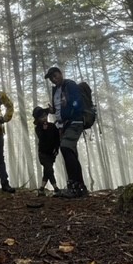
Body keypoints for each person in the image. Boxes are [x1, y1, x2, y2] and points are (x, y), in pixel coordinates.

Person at [45, 66, 88, 198]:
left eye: (55, 75)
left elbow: (77, 102)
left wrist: (69, 110)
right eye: (51, 78)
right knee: (71, 153)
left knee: (66, 148)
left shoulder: (69, 85)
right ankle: (79, 187)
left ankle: (74, 186)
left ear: (60, 73)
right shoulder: (56, 90)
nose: (53, 79)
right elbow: (61, 108)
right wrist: (54, 112)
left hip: (74, 122)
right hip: (63, 125)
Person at [32, 106, 61, 196]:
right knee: (49, 169)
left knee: (47, 171)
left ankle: (41, 189)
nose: (44, 118)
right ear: (38, 119)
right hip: (43, 153)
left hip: (51, 154)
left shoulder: (52, 126)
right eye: (41, 117)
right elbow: (42, 139)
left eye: (45, 116)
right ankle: (56, 188)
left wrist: (56, 149)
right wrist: (44, 130)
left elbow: (57, 139)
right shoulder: (38, 128)